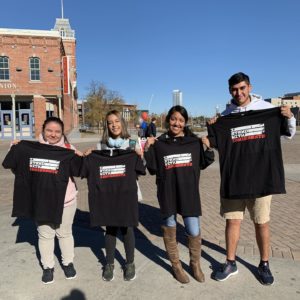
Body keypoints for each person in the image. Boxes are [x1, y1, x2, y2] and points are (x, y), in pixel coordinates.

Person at [202, 72, 296, 285]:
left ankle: (264, 264)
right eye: (235, 89)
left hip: (261, 179)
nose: (239, 92)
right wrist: (212, 128)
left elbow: (288, 133)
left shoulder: (266, 110)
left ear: (250, 87)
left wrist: (289, 116)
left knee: (261, 222)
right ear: (230, 91)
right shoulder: (225, 116)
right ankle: (230, 262)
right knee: (232, 221)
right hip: (234, 179)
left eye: (242, 88)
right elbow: (213, 142)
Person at [3, 117, 83, 284]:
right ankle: (48, 267)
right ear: (43, 130)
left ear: (62, 133)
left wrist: (83, 157)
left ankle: (68, 263)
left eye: (57, 131)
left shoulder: (68, 149)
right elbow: (13, 167)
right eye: (49, 130)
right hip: (41, 201)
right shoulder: (30, 149)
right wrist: (15, 150)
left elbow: (81, 169)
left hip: (66, 201)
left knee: (65, 233)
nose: (53, 134)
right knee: (45, 235)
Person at [144, 105, 214, 284]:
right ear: (168, 120)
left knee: (193, 229)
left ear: (185, 123)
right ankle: (176, 266)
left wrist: (207, 147)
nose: (177, 123)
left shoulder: (193, 142)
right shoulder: (160, 143)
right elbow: (152, 168)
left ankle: (195, 264)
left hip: (188, 193)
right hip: (167, 193)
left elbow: (205, 162)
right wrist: (148, 148)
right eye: (174, 119)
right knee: (170, 227)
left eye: (181, 120)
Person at [83, 110, 145, 282]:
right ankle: (109, 263)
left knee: (127, 227)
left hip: (126, 192)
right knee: (110, 228)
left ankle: (129, 262)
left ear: (122, 123)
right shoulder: (101, 145)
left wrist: (140, 156)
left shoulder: (133, 142)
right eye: (110, 122)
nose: (114, 125)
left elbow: (142, 167)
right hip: (107, 194)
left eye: (117, 121)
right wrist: (89, 155)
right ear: (107, 126)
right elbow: (94, 166)